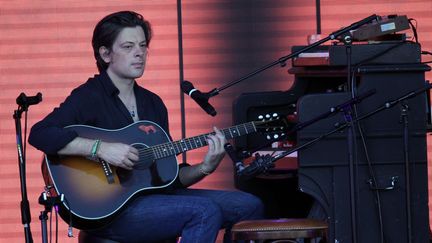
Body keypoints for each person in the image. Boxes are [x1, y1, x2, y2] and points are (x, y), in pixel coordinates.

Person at [29, 10, 264, 243]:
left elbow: (168, 180)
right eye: (128, 47)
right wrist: (100, 149)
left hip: (154, 201)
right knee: (203, 210)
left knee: (248, 205)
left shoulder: (152, 103)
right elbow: (40, 134)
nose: (139, 54)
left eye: (142, 46)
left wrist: (205, 167)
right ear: (106, 54)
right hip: (112, 212)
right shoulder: (89, 96)